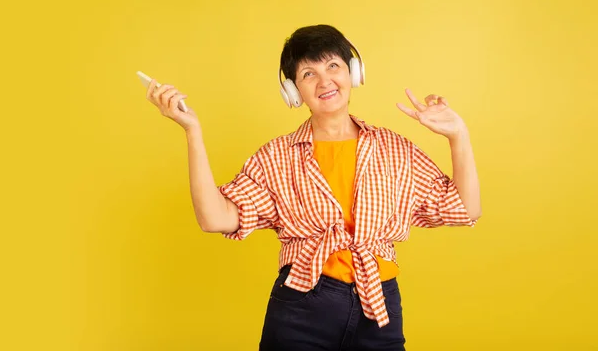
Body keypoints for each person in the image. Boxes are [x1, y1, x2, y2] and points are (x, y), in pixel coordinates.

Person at [145, 24, 482, 351]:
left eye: (333, 65)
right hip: (302, 308)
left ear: (353, 72)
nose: (325, 81)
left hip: (380, 307)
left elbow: (465, 210)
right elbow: (214, 218)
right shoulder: (276, 157)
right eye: (308, 74)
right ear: (293, 91)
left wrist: (458, 136)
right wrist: (193, 131)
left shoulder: (394, 149)